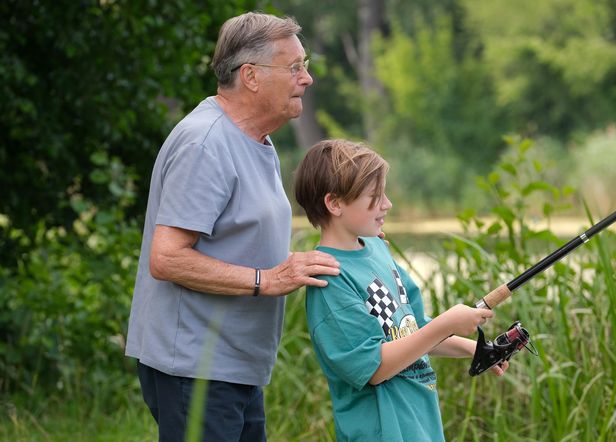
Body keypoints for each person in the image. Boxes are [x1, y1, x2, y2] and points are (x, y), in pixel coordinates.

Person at [124, 12, 341, 442]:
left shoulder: (256, 140)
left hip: (234, 366)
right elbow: (166, 259)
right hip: (195, 368)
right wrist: (266, 279)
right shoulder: (205, 144)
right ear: (251, 77)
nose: (307, 79)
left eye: (306, 64)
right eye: (295, 67)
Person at [293, 139, 508, 442]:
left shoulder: (378, 250)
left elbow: (409, 332)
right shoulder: (331, 280)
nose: (387, 204)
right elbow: (375, 367)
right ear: (335, 203)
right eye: (374, 195)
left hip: (420, 424)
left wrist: (470, 348)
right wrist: (447, 322)